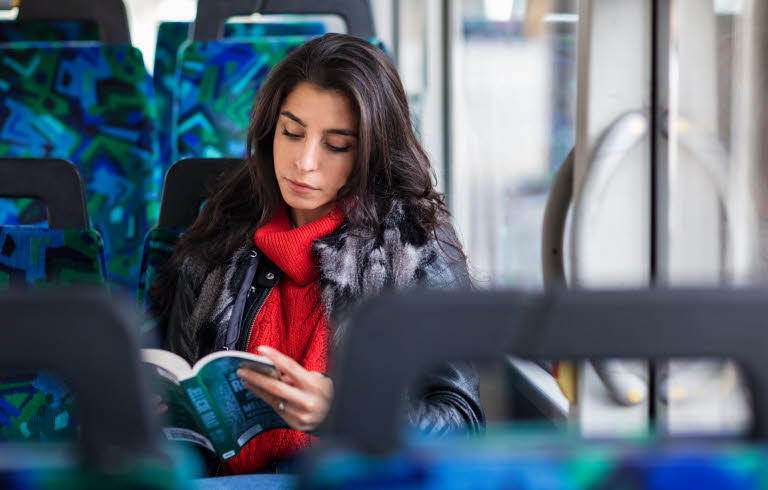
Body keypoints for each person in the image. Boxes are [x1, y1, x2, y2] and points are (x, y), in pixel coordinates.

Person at [152, 33, 484, 475]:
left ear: (370, 153)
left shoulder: (416, 245)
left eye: (336, 145)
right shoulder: (220, 232)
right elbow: (183, 390)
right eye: (292, 133)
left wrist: (346, 415)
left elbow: (461, 422)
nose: (304, 162)